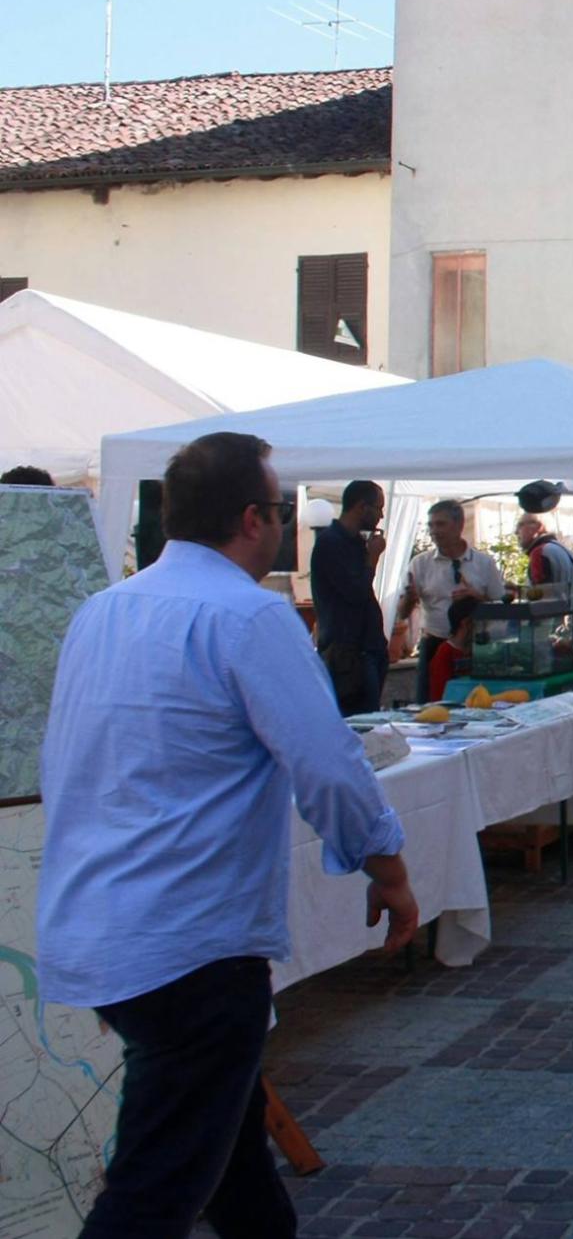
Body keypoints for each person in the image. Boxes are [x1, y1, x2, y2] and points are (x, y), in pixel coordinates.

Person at [37, 431, 417, 1238]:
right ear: (253, 519)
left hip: (111, 927)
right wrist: (388, 867)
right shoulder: (247, 616)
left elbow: (72, 769)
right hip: (190, 944)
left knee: (231, 1157)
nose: (283, 525)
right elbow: (328, 767)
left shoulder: (101, 612)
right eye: (281, 511)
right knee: (154, 1189)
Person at [399, 499, 505, 702]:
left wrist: (477, 597)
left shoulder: (483, 563)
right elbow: (402, 614)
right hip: (435, 645)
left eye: (440, 524)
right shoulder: (420, 564)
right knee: (429, 704)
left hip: (476, 648)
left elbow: (501, 608)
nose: (434, 531)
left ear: (459, 525)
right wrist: (410, 599)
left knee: (475, 704)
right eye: (430, 525)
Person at [310, 479, 389, 714]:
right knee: (359, 723)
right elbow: (355, 591)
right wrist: (373, 558)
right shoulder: (331, 543)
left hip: (369, 647)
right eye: (378, 508)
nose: (381, 516)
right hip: (349, 654)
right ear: (362, 507)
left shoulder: (355, 542)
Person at [426, 594, 481, 702]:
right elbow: (440, 695)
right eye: (480, 623)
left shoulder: (476, 650)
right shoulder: (444, 653)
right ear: (466, 623)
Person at [516, 514, 573, 597]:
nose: (516, 531)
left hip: (556, 609)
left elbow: (541, 597)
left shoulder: (540, 552)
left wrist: (518, 593)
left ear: (538, 527)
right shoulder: (564, 551)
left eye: (520, 525)